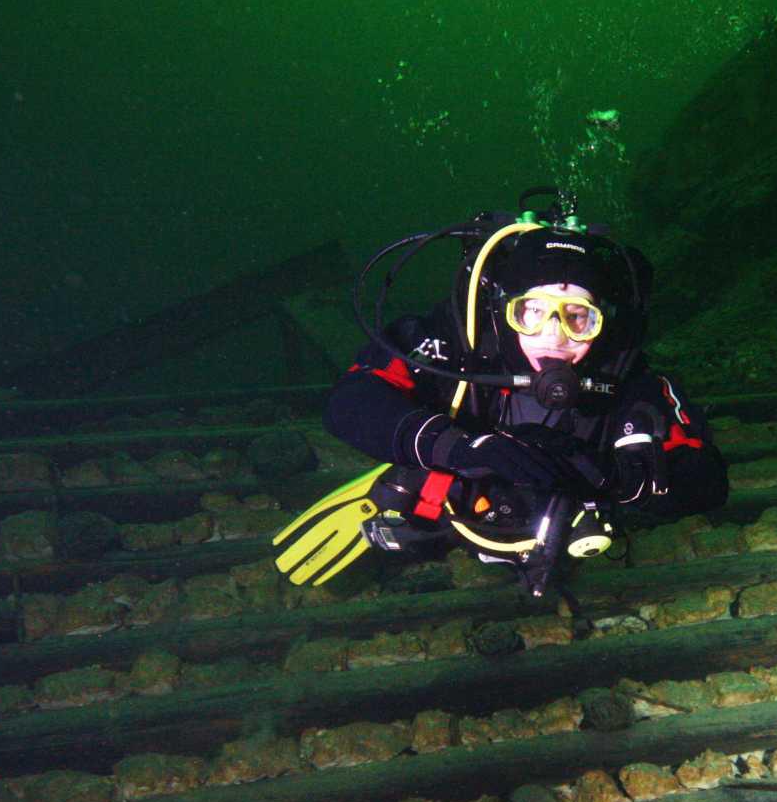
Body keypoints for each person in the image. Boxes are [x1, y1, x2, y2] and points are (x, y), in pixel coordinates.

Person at [273, 199, 728, 592]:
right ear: (502, 309)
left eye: (578, 317)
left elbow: (706, 480)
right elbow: (351, 401)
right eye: (532, 312)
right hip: (450, 506)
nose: (554, 336)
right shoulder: (454, 342)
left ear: (602, 322)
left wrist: (612, 476)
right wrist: (457, 447)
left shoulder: (627, 379)